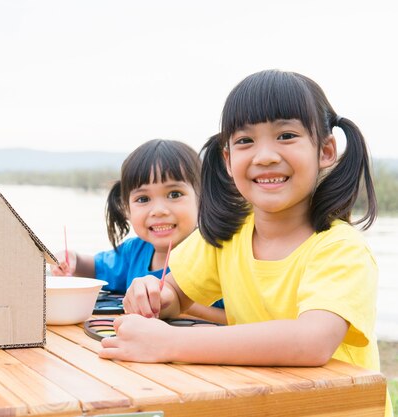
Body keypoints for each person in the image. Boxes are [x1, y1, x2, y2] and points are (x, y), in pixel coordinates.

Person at [99, 70, 391, 416]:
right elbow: (176, 294)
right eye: (245, 141)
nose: (264, 156)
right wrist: (154, 294)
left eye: (286, 135)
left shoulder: (341, 250)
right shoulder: (227, 235)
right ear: (227, 160)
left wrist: (170, 343)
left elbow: (311, 343)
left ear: (326, 151)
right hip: (261, 403)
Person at [51, 139, 226, 324]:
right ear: (126, 208)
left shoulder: (212, 255)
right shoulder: (133, 252)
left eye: (174, 194)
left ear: (203, 199)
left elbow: (240, 320)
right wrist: (71, 260)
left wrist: (182, 302)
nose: (158, 210)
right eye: (143, 199)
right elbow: (95, 267)